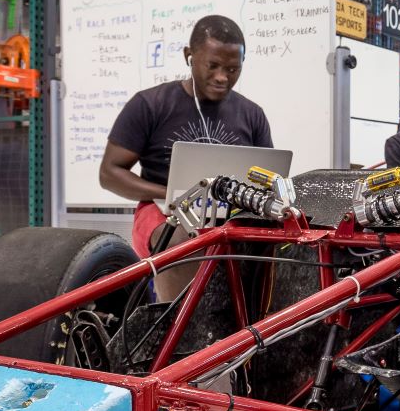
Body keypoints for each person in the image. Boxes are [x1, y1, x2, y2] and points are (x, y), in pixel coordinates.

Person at [100, 14, 273, 258]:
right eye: (212, 66)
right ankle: (178, 299)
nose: (222, 77)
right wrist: (171, 195)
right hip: (163, 210)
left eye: (232, 69)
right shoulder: (150, 104)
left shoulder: (253, 114)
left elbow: (268, 179)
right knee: (183, 242)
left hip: (233, 212)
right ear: (188, 57)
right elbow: (110, 173)